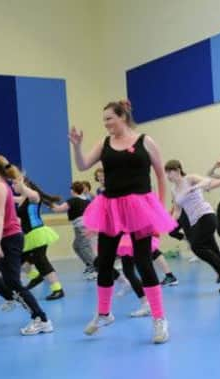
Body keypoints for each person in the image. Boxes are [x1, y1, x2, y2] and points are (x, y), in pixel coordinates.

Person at [70, 99, 176, 344]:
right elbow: (83, 164)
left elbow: (160, 176)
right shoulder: (104, 143)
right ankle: (104, 314)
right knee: (104, 262)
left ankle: (159, 319)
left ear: (122, 117)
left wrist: (158, 208)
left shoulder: (145, 141)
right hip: (110, 208)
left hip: (140, 207)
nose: (106, 123)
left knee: (143, 262)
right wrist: (77, 146)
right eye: (104, 119)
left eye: (109, 118)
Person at [0, 149, 52, 335]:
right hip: (5, 238)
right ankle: (11, 296)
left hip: (9, 239)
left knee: (13, 281)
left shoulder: (0, 188)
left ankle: (41, 319)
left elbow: (0, 216)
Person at [165, 160, 220, 293]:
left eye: (169, 172)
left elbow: (207, 181)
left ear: (177, 170)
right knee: (214, 251)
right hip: (195, 221)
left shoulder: (190, 178)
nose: (168, 176)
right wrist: (169, 223)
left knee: (196, 246)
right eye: (166, 173)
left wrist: (196, 187)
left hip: (206, 216)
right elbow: (177, 211)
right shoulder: (174, 190)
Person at [12, 177, 65, 300]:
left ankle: (58, 289)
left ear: (24, 184)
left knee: (41, 260)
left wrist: (20, 182)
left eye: (14, 184)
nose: (13, 186)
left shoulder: (34, 196)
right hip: (29, 235)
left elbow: (31, 194)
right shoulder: (22, 199)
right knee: (20, 259)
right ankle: (36, 276)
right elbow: (8, 197)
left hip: (38, 233)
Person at [50, 181, 97, 280]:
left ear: (73, 190)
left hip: (81, 228)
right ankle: (90, 265)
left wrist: (49, 203)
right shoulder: (87, 200)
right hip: (84, 227)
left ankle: (97, 269)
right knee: (76, 246)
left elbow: (58, 209)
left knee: (84, 248)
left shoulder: (72, 200)